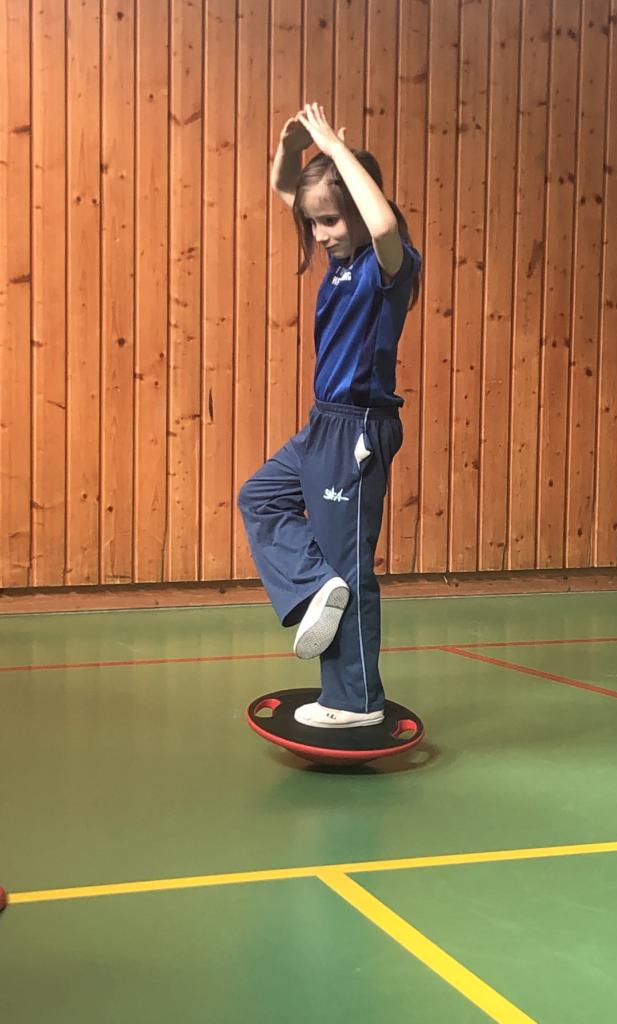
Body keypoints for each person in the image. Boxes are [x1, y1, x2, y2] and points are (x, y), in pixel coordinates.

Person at [237, 102, 422, 729]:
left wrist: (338, 150)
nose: (320, 233)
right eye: (314, 223)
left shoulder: (388, 266)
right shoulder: (342, 263)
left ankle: (355, 701)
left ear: (361, 212)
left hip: (360, 430)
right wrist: (293, 147)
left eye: (331, 221)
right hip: (324, 424)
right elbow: (287, 188)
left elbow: (381, 220)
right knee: (260, 497)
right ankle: (315, 583)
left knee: (350, 567)